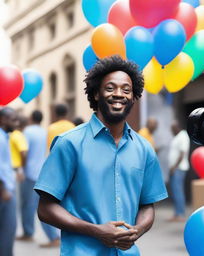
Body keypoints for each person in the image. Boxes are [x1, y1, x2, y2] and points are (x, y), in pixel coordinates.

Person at [34, 56, 168, 256]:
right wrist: (96, 231)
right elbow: (45, 209)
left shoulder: (144, 148)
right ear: (96, 93)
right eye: (110, 88)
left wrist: (138, 230)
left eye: (126, 90)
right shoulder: (69, 143)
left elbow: (147, 205)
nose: (119, 94)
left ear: (133, 96)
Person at [17, 110, 60, 247]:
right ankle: (53, 236)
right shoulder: (44, 131)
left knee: (28, 206)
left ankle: (29, 233)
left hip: (29, 173)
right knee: (42, 205)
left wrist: (21, 169)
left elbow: (24, 151)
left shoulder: (27, 131)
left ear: (31, 118)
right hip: (41, 172)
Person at [0, 107, 18, 256]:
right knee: (7, 230)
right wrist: (3, 188)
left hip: (5, 189)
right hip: (3, 191)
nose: (16, 123)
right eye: (13, 120)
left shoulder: (4, 136)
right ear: (2, 119)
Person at [168, 120, 190, 222]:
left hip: (179, 168)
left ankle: (180, 214)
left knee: (178, 190)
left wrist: (174, 167)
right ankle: (177, 213)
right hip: (175, 168)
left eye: (172, 129)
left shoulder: (183, 136)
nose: (171, 131)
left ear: (177, 127)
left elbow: (182, 153)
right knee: (175, 190)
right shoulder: (177, 136)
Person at [9, 114, 28, 182]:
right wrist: (22, 169)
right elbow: (24, 153)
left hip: (10, 168)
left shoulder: (12, 134)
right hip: (16, 169)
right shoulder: (19, 135)